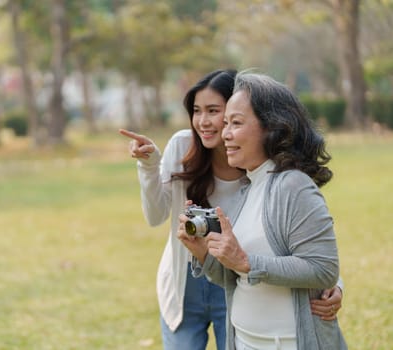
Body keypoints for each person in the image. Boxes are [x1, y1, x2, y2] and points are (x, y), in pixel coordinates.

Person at [119, 69, 343, 350]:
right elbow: (156, 216)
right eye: (197, 111)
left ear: (266, 124)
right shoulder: (207, 158)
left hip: (257, 302)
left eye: (223, 116)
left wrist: (335, 284)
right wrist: (203, 252)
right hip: (196, 282)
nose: (209, 124)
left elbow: (314, 250)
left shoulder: (276, 178)